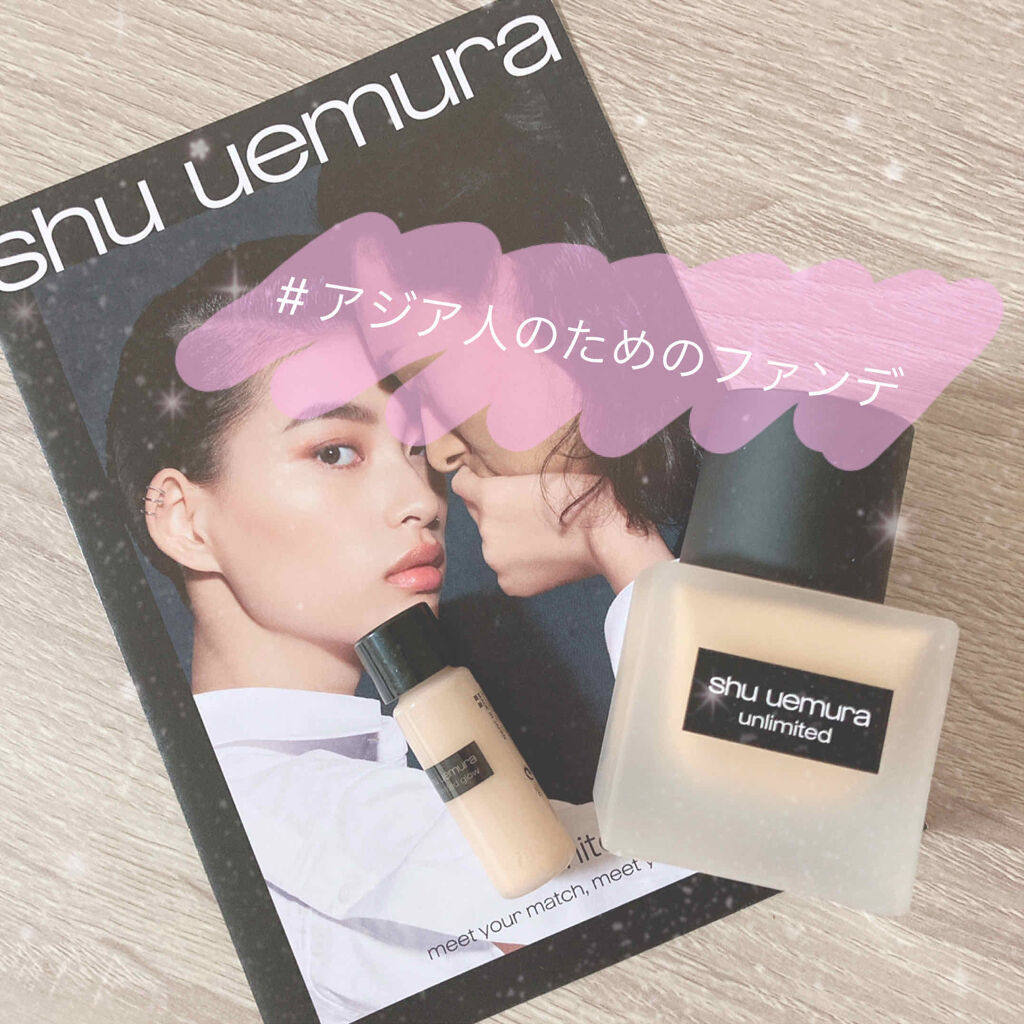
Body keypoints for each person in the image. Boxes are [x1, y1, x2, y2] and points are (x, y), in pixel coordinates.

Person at [105, 239, 690, 1023]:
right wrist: (614, 533)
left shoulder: (305, 789)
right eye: (335, 451)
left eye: (417, 449)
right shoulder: (287, 807)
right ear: (184, 520)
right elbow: (722, 855)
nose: (421, 499)